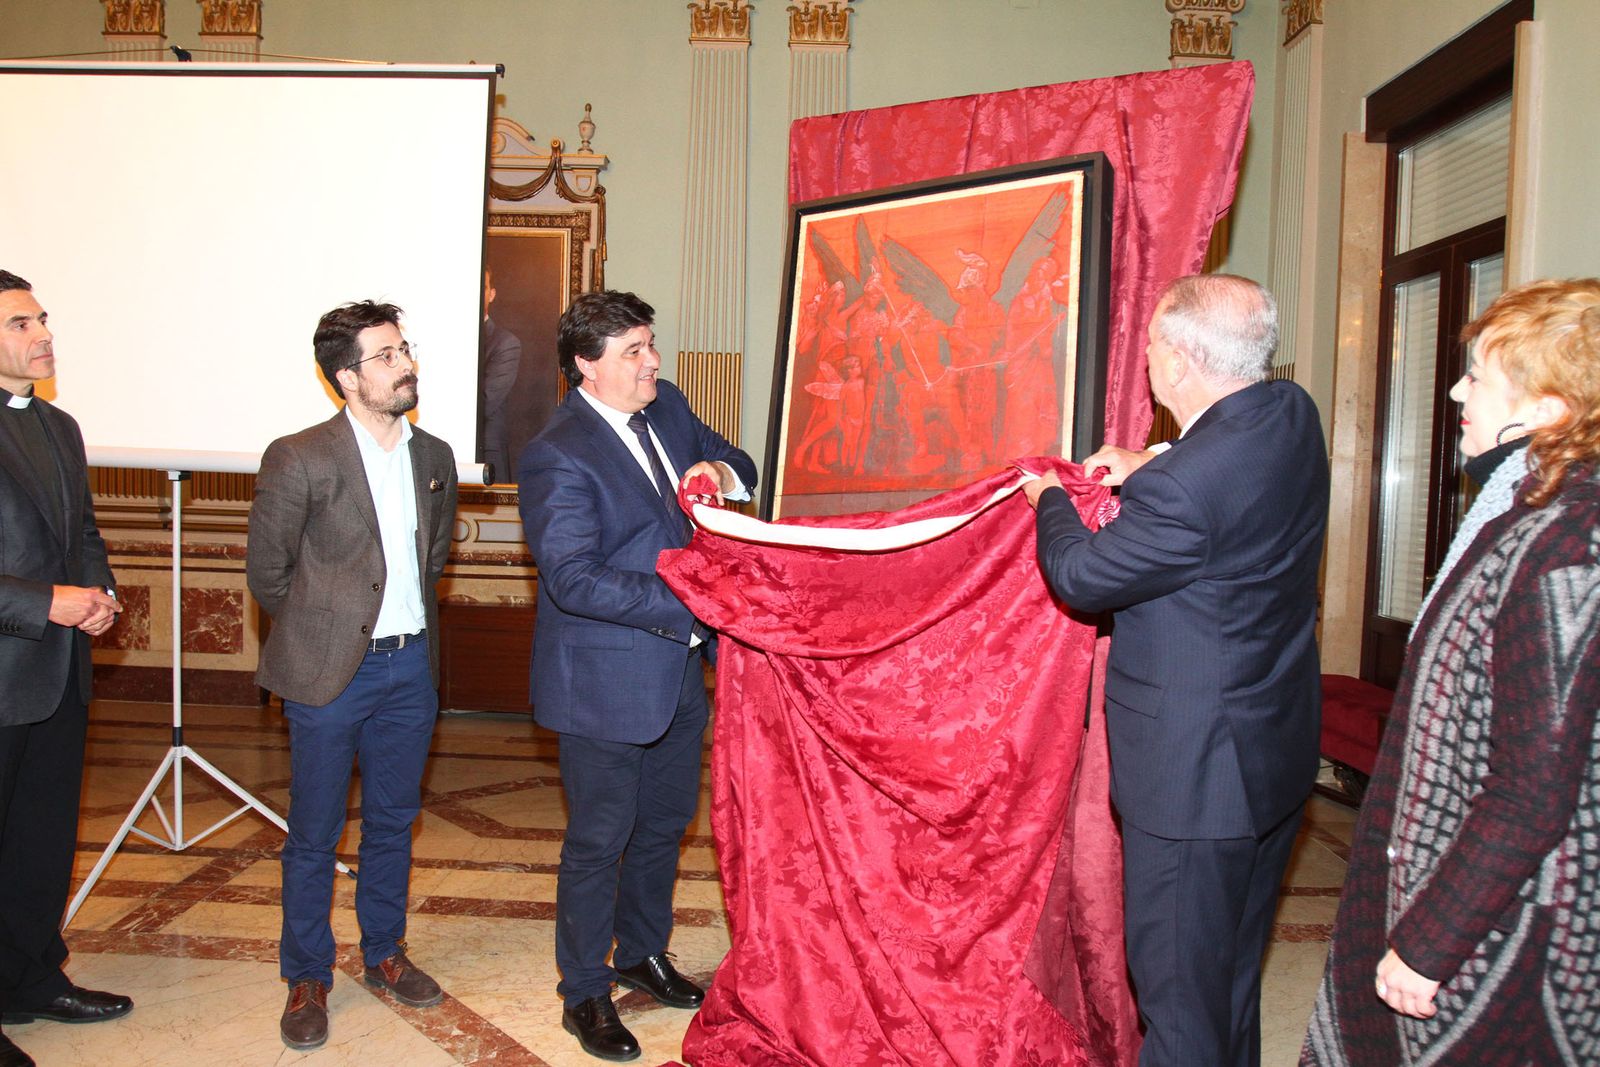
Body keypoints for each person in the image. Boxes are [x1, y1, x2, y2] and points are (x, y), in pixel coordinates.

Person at [1023, 274, 1330, 1067]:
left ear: (1184, 363)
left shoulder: (1183, 489)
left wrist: (1051, 499)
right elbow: (1215, 470)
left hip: (1195, 781)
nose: (1149, 354)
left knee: (1179, 998)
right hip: (1272, 756)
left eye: (1156, 341)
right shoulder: (1291, 413)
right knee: (1228, 975)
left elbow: (1083, 579)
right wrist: (1150, 455)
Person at [1301, 278, 1600, 1066]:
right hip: (1450, 883)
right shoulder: (1534, 514)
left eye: (1480, 376)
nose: (1457, 388)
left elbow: (1534, 786)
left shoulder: (1567, 545)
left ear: (1546, 409)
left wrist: (1432, 938)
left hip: (1504, 932)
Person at [516, 290, 756, 1063]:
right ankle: (583, 990)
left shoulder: (671, 406)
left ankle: (641, 953)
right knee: (598, 838)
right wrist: (690, 595)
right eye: (632, 351)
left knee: (662, 825)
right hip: (604, 680)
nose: (652, 361)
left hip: (678, 668)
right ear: (587, 365)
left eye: (651, 345)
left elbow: (743, 466)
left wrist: (716, 468)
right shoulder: (558, 451)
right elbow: (573, 578)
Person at [247, 301, 459, 1051]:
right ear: (347, 377)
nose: (407, 365)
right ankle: (307, 974)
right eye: (387, 355)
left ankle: (384, 952)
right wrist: (324, 634)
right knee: (314, 832)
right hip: (329, 674)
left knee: (395, 821)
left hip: (411, 668)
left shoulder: (432, 456)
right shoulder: (300, 455)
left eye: (405, 349)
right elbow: (268, 575)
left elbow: (431, 562)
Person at [0, 270, 129, 1067]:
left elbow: (81, 531)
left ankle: (29, 978)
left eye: (41, 318)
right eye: (20, 323)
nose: (43, 333)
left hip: (58, 671)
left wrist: (102, 592)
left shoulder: (60, 425)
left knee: (41, 841)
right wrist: (44, 602)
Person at [479, 265, 524, 483]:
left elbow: (486, 401)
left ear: (492, 294)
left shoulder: (505, 343)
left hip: (486, 457)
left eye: (483, 287)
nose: (478, 292)